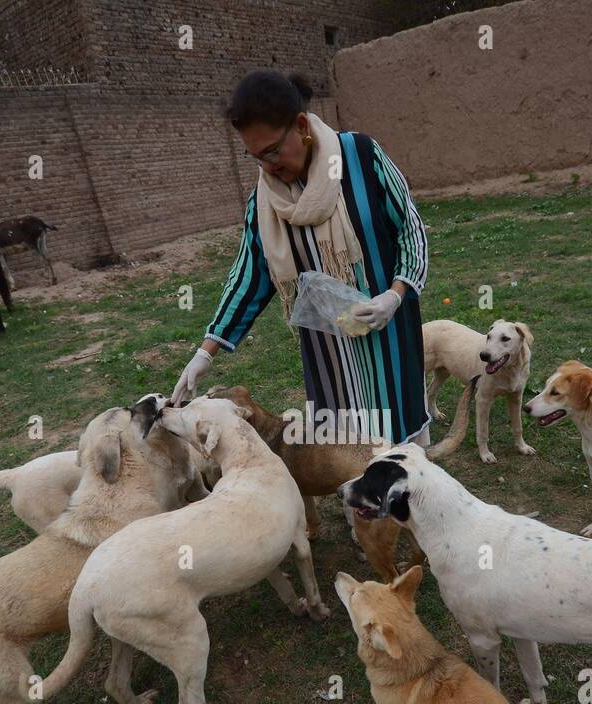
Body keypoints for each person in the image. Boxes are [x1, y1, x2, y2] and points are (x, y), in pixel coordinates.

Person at [171, 70, 431, 446]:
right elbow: (250, 275)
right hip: (328, 350)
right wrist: (205, 351)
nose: (269, 165)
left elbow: (410, 229)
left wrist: (395, 294)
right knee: (346, 444)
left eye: (274, 150)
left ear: (301, 125)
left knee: (400, 434)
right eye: (257, 157)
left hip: (387, 332)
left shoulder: (359, 157)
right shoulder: (265, 204)